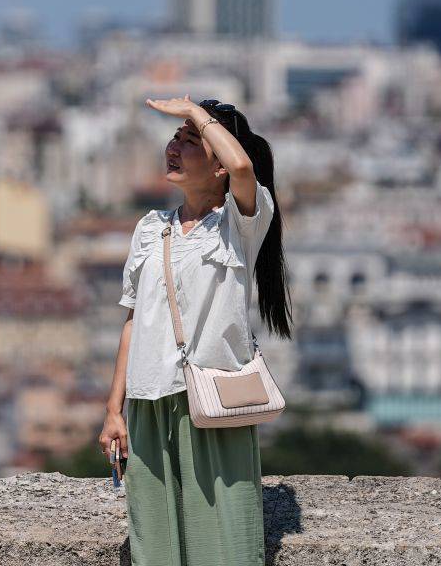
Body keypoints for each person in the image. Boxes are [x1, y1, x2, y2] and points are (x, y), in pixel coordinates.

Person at [99, 94, 293, 565]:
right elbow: (133, 321)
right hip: (148, 400)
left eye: (189, 142)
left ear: (218, 165)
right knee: (154, 545)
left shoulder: (239, 223)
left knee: (223, 544)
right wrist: (113, 410)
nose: (174, 147)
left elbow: (244, 168)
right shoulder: (151, 228)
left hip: (211, 399)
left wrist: (196, 114)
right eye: (174, 138)